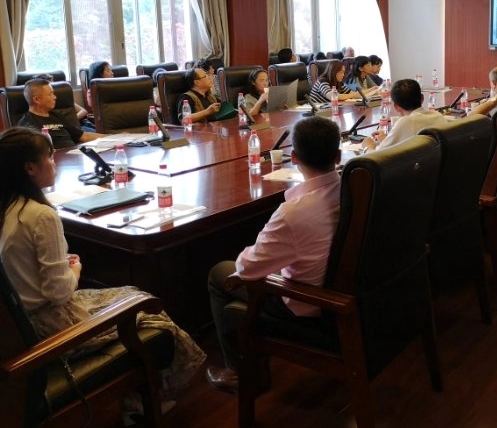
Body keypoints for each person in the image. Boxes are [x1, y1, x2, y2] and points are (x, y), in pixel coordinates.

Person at [0, 127, 206, 406]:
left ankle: (139, 395)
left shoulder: (8, 209)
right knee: (149, 307)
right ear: (30, 169)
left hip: (22, 326)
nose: (54, 162)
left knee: (131, 292)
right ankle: (152, 398)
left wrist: (61, 265)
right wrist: (74, 271)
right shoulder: (41, 215)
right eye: (48, 157)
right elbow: (58, 293)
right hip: (54, 327)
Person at [205, 116, 342, 393]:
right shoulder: (353, 187)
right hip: (342, 291)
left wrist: (256, 250)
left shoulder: (293, 213)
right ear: (338, 156)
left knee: (220, 274)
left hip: (306, 305)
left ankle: (242, 374)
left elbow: (246, 270)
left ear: (294, 157)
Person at [362, 79, 448, 151]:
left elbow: (378, 156)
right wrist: (386, 140)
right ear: (422, 98)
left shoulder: (406, 122)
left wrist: (368, 146)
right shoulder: (438, 116)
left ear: (396, 106)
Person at [18, 78, 102, 149]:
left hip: (74, 155)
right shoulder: (27, 125)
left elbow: (84, 136)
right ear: (37, 99)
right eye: (50, 94)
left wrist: (109, 137)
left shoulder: (56, 115)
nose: (55, 97)